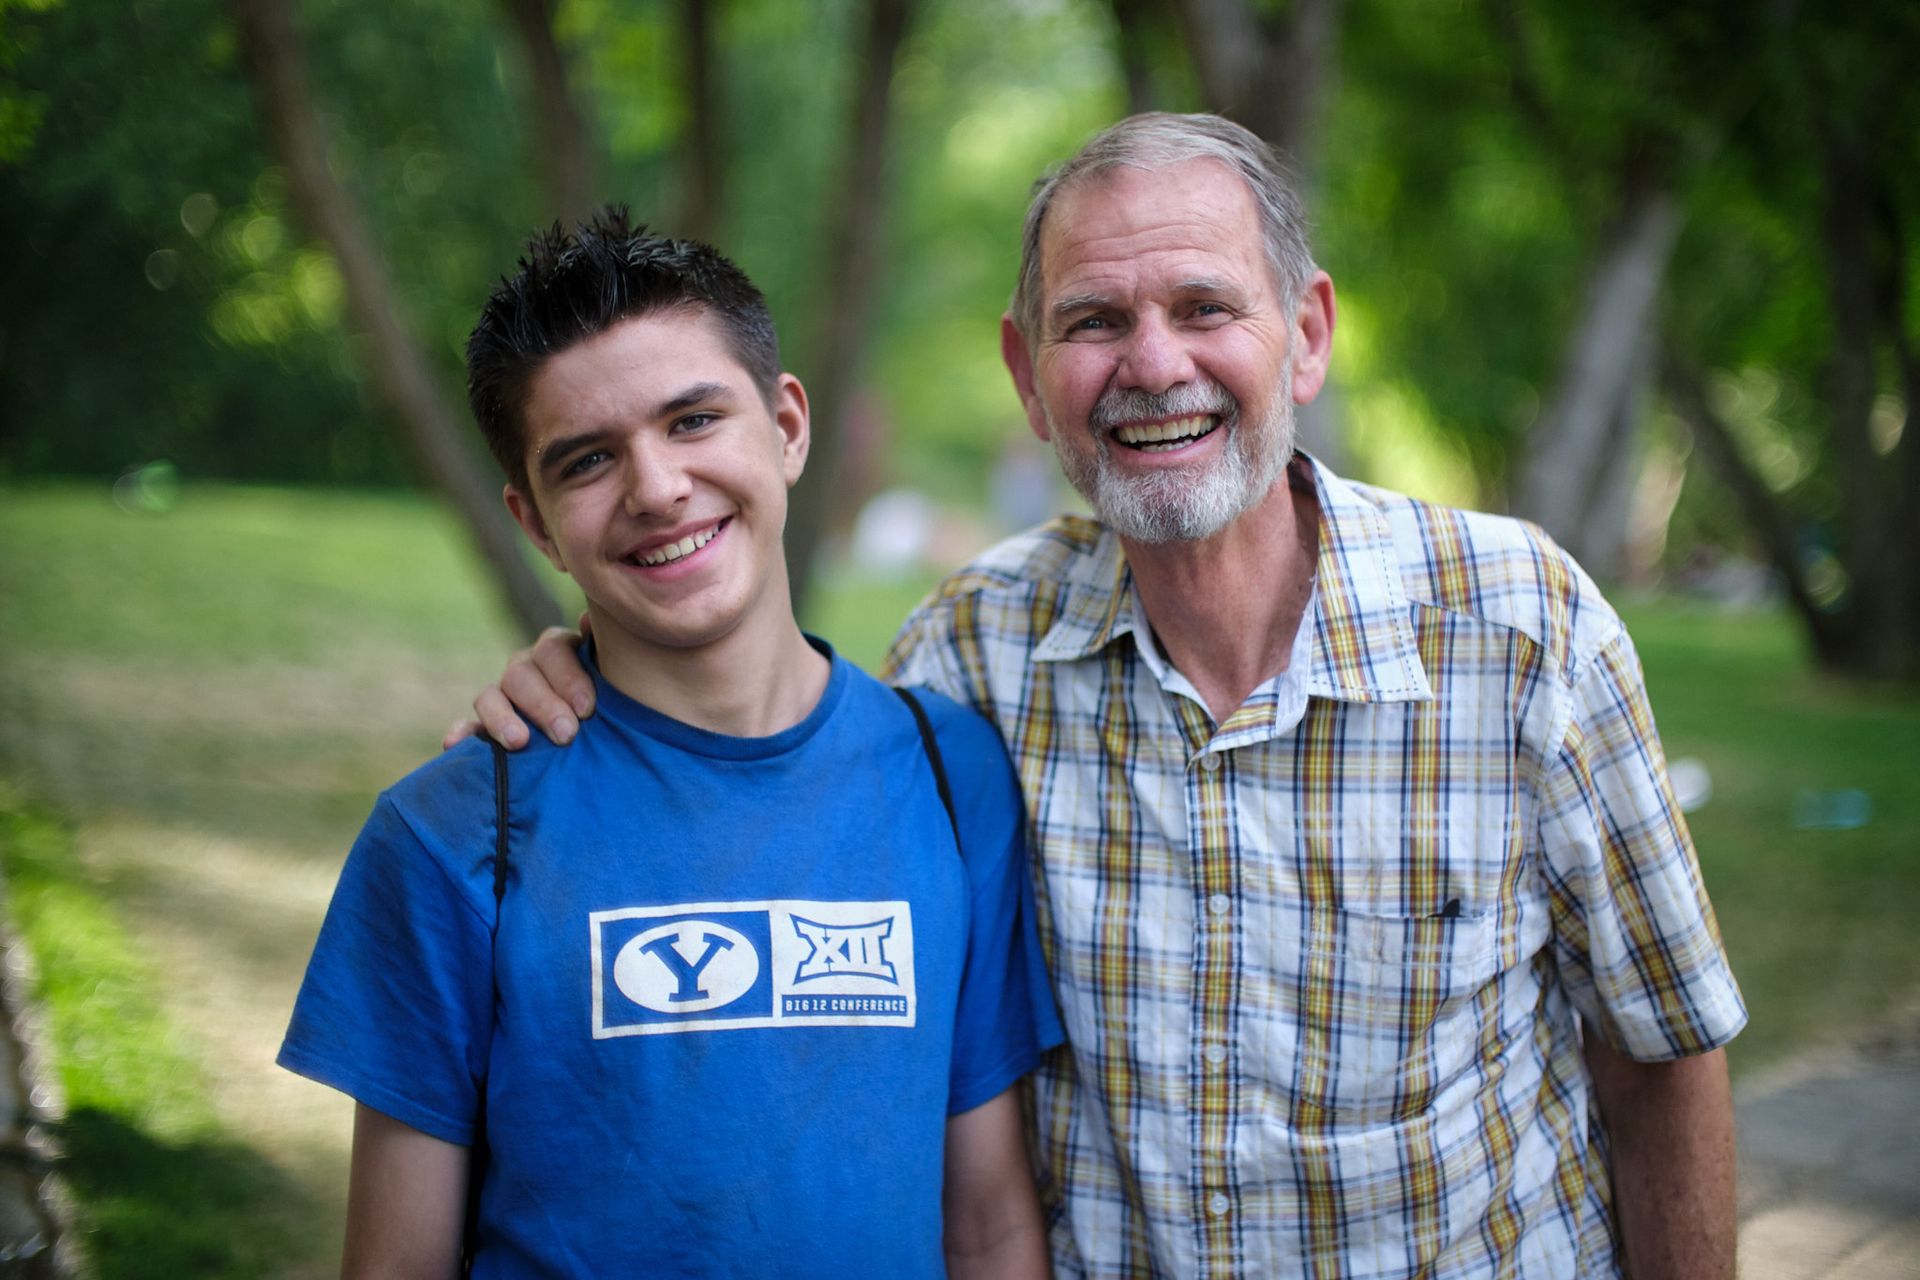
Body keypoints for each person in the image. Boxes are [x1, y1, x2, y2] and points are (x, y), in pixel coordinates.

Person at [464, 116, 1746, 1278]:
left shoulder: (1524, 625)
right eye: (1093, 322)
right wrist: (599, 660)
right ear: (1029, 375)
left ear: (1303, 336)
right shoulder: (966, 659)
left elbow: (1663, 1048)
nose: (1152, 364)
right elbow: (770, 761)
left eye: (1204, 307)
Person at [281, 210, 1062, 1277]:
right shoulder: (449, 834)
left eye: (692, 420)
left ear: (786, 426)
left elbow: (988, 1223)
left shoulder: (950, 773)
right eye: (589, 459)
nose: (655, 487)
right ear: (536, 522)